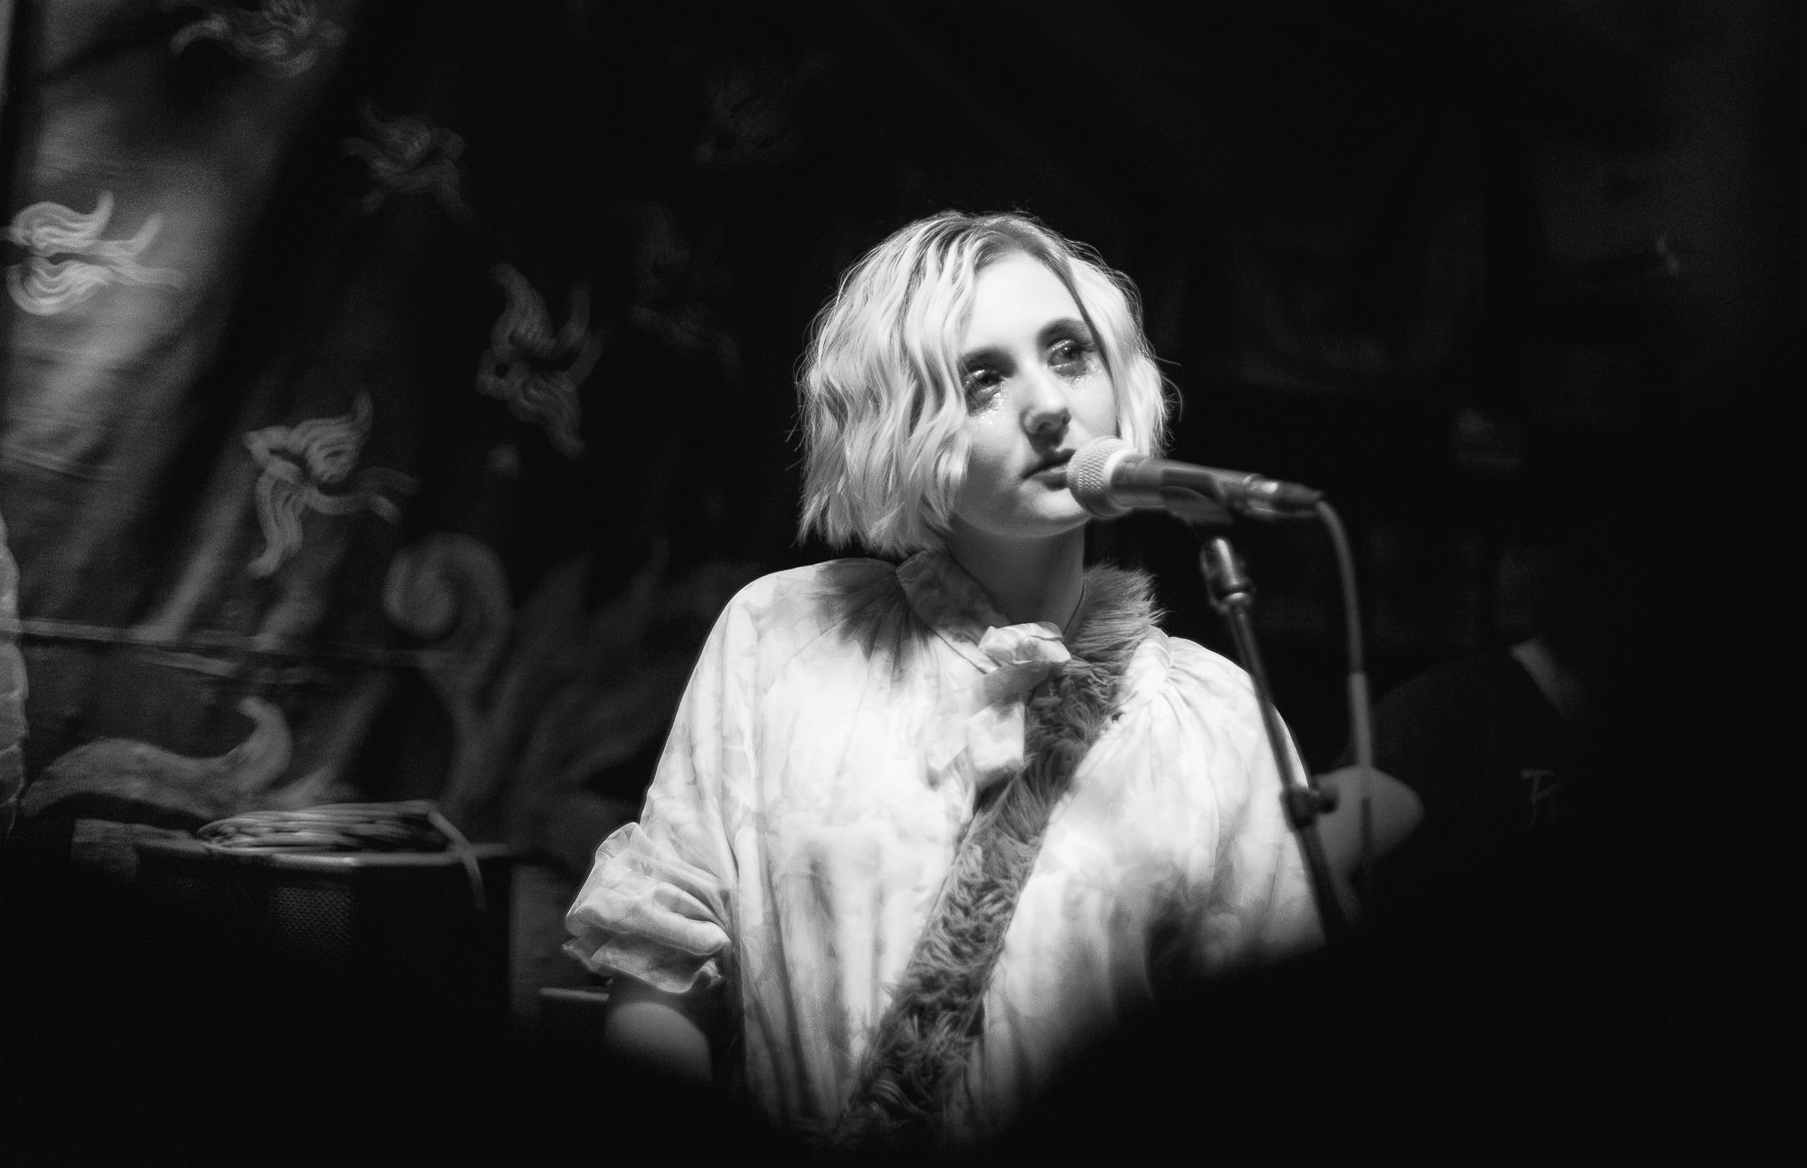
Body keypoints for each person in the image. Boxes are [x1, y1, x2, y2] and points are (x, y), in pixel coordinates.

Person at [562, 211, 1320, 1152]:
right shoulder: (783, 637)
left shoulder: (1216, 720)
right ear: (901, 420)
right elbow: (661, 962)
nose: (1047, 405)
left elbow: (1280, 1064)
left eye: (1070, 353)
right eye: (983, 377)